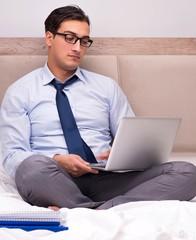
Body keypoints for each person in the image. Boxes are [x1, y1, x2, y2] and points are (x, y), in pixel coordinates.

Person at [1, 5, 196, 210]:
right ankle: (108, 208)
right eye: (69, 37)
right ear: (49, 38)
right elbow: (12, 156)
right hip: (54, 179)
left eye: (84, 41)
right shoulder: (20, 91)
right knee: (31, 168)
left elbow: (134, 141)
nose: (77, 48)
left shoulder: (106, 87)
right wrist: (58, 161)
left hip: (106, 178)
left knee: (187, 172)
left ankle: (92, 210)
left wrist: (123, 154)